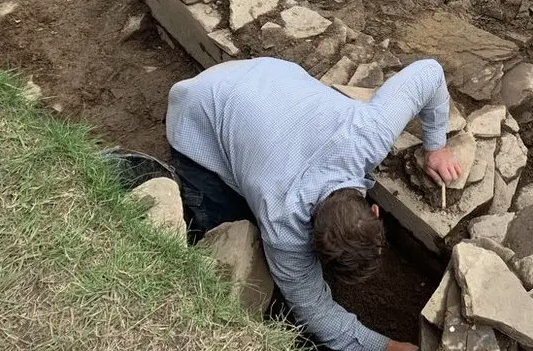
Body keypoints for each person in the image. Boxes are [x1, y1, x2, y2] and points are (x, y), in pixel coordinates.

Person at [165, 57, 462, 351]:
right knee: (227, 226)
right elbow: (316, 314)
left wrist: (436, 145)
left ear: (375, 211)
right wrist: (386, 346)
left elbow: (430, 72)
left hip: (263, 77)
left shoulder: (367, 135)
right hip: (198, 111)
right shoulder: (282, 229)